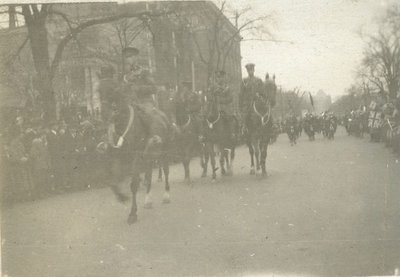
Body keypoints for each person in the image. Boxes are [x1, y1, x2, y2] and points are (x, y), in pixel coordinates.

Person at [239, 63, 264, 133]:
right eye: (249, 70)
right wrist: (240, 105)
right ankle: (244, 127)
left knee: (264, 111)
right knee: (245, 114)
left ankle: (268, 126)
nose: (250, 71)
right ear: (247, 71)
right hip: (247, 102)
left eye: (251, 70)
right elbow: (241, 94)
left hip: (257, 101)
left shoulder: (258, 80)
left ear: (254, 70)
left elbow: (263, 92)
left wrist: (259, 95)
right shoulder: (244, 81)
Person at [211, 70, 236, 140]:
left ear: (223, 78)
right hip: (216, 108)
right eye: (217, 77)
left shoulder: (227, 88)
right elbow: (211, 97)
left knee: (230, 119)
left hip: (225, 108)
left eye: (220, 77)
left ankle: (232, 133)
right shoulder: (213, 88)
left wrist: (221, 100)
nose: (218, 79)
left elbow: (230, 98)